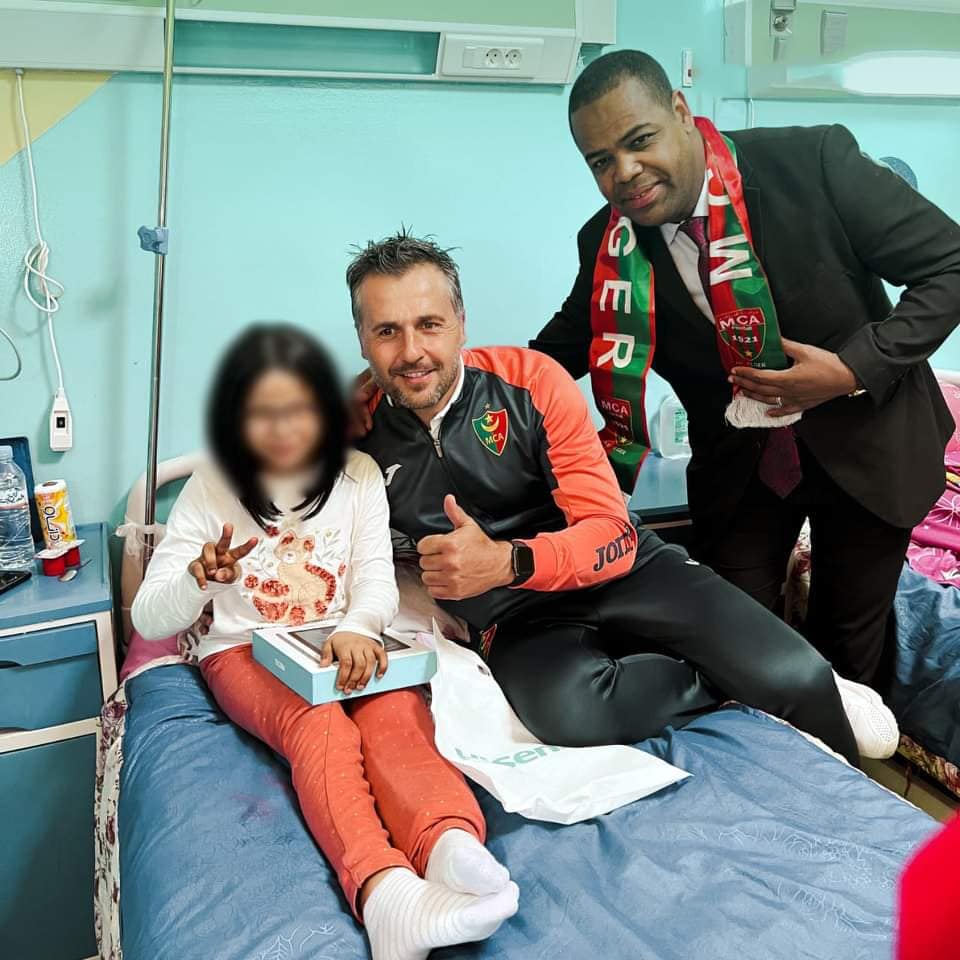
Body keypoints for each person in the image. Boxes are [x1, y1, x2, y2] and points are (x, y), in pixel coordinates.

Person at [349, 230, 899, 766]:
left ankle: (788, 676)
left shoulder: (530, 382)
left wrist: (509, 561)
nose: (412, 352)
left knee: (796, 677)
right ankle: (732, 677)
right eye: (387, 332)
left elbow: (609, 529)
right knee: (571, 716)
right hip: (516, 614)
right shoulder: (352, 433)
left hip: (620, 569)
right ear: (362, 340)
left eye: (430, 325)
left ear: (461, 323)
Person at [531, 50, 960, 689]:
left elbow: (950, 265)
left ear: (681, 111)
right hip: (742, 469)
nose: (625, 173)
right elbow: (558, 352)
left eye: (639, 141)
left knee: (847, 653)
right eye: (600, 161)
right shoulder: (609, 243)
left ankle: (848, 752)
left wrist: (851, 369)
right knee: (730, 649)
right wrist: (438, 379)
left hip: (869, 443)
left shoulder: (812, 164)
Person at [132, 324, 518, 960]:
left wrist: (359, 626)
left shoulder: (359, 475)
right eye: (264, 414)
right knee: (321, 727)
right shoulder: (211, 486)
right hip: (243, 649)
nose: (285, 431)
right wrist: (197, 581)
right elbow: (149, 620)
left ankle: (448, 842)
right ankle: (384, 893)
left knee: (397, 713)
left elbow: (375, 576)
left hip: (341, 640)